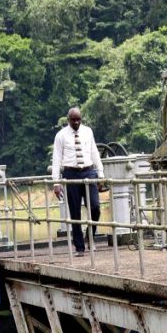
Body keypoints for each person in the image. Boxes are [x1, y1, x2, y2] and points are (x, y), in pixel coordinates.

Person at [52, 107, 106, 256]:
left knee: (95, 207)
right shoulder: (61, 136)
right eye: (73, 120)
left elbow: (94, 152)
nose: (76, 122)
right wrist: (56, 182)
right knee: (75, 211)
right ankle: (80, 247)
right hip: (71, 173)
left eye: (78, 119)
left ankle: (90, 235)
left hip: (89, 171)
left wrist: (100, 174)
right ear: (68, 120)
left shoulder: (88, 131)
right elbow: (56, 159)